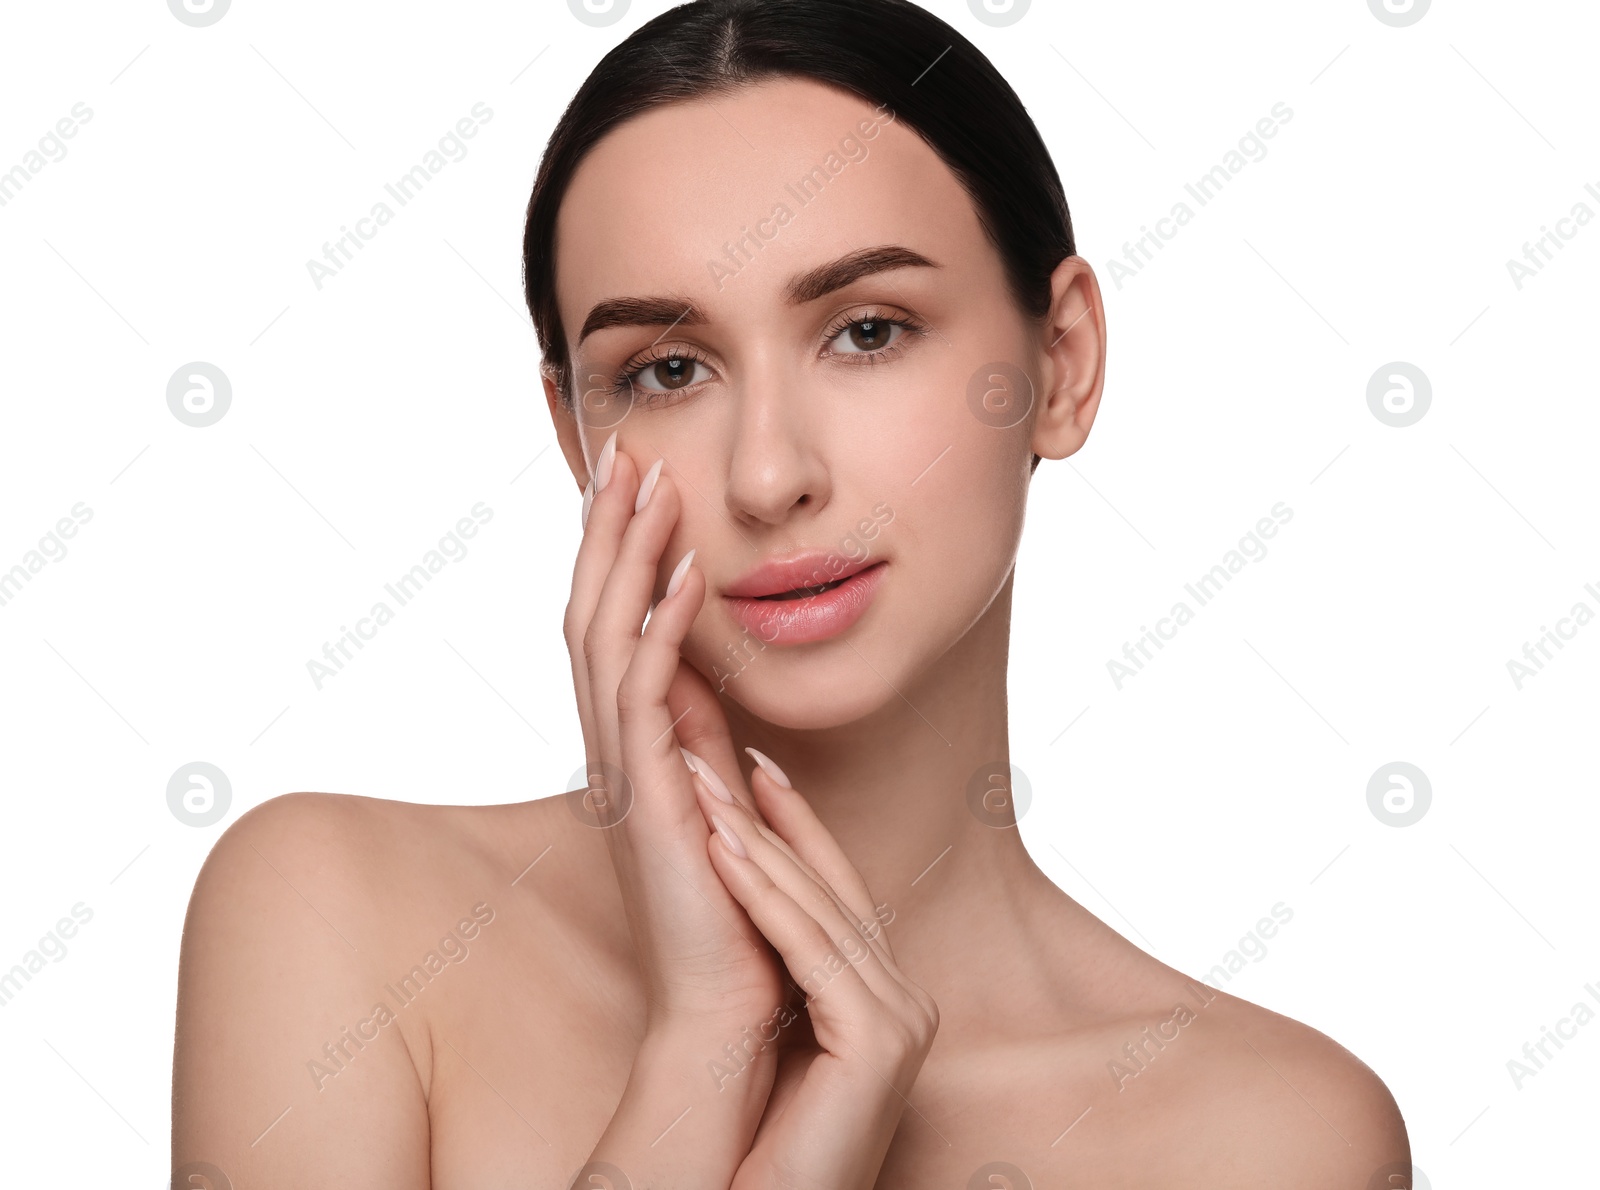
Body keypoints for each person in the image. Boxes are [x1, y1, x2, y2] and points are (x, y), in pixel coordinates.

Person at [172, 1, 1411, 1185]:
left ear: (1063, 362)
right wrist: (699, 1050)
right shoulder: (339, 921)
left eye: (867, 330)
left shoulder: (1272, 1135)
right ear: (574, 435)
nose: (769, 475)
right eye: (665, 369)